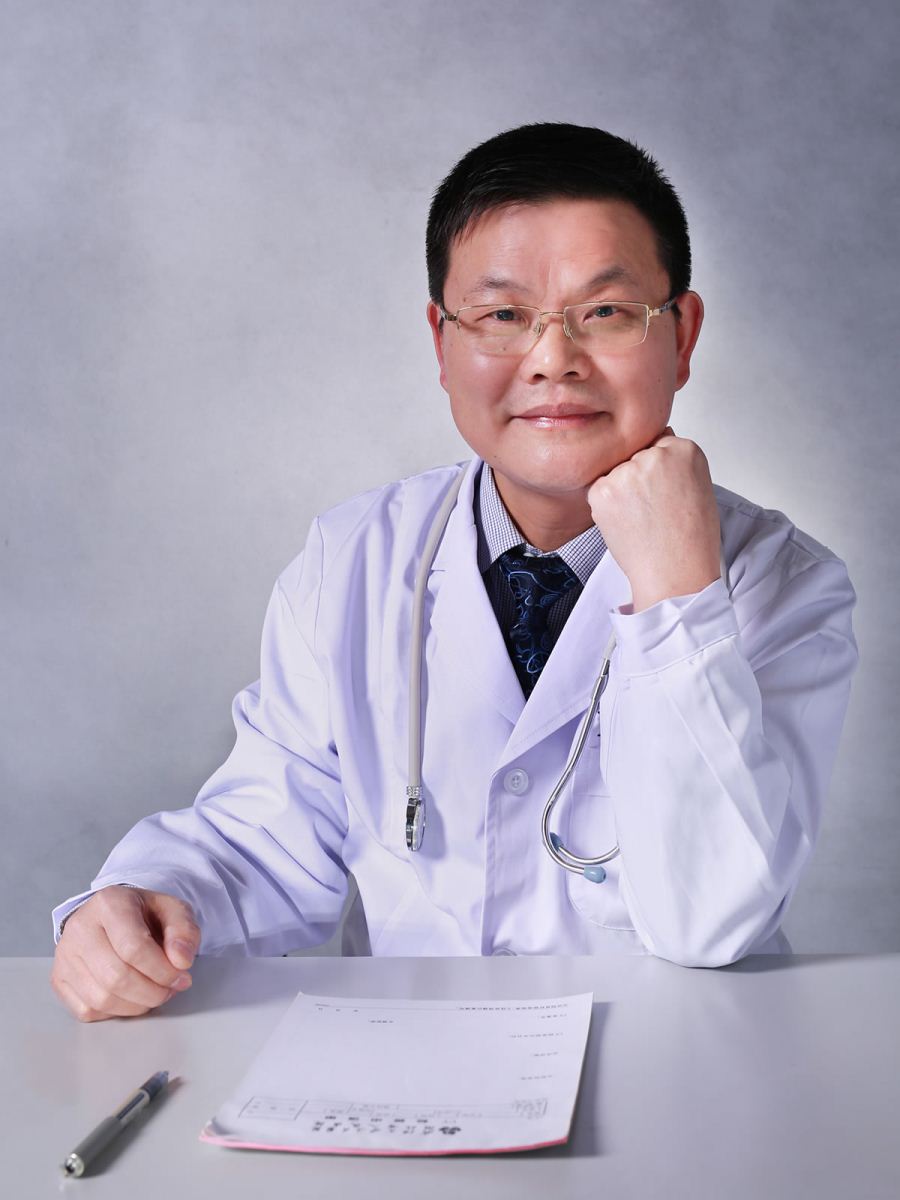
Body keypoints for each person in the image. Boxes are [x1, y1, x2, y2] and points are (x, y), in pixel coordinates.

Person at [51, 123, 858, 1021]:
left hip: (680, 1067)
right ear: (441, 341)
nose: (554, 359)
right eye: (504, 316)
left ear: (684, 332)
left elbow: (711, 921)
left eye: (606, 312)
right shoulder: (354, 557)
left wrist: (678, 596)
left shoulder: (786, 585)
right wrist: (145, 901)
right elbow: (265, 836)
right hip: (412, 1062)